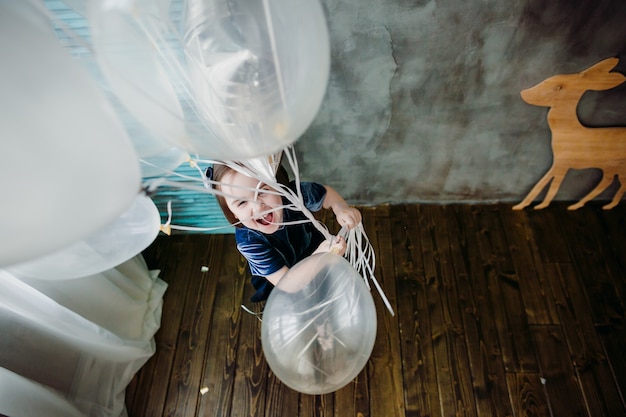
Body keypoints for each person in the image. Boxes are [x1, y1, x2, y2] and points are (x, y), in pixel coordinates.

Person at [208, 163, 362, 302]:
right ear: (232, 212)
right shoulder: (249, 242)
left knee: (330, 285)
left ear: (277, 185)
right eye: (241, 202)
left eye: (262, 191)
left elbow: (326, 193)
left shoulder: (293, 196)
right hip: (283, 276)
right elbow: (290, 284)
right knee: (304, 303)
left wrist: (341, 208)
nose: (257, 207)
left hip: (312, 247)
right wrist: (320, 257)